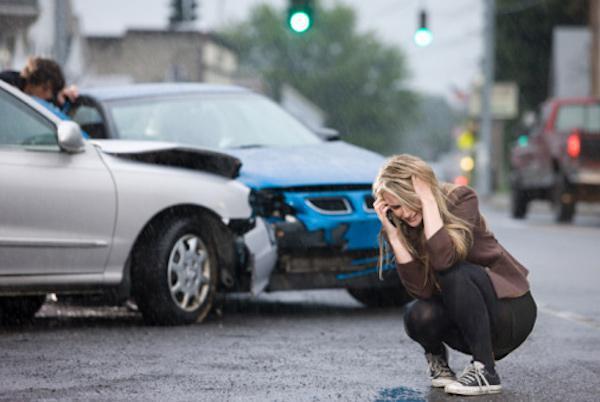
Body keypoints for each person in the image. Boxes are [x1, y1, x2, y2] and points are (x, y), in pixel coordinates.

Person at [372, 154, 536, 396]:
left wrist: (428, 201)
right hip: (469, 323)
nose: (403, 213)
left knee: (454, 273)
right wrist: (395, 237)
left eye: (406, 201)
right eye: (394, 208)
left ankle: (485, 371)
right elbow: (422, 291)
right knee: (417, 313)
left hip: (509, 312)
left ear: (420, 190)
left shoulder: (461, 199)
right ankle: (439, 363)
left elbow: (445, 260)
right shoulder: (405, 225)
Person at [0, 56, 78, 111]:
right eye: (46, 89)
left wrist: (65, 96)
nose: (49, 96)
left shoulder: (27, 90)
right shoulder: (6, 84)